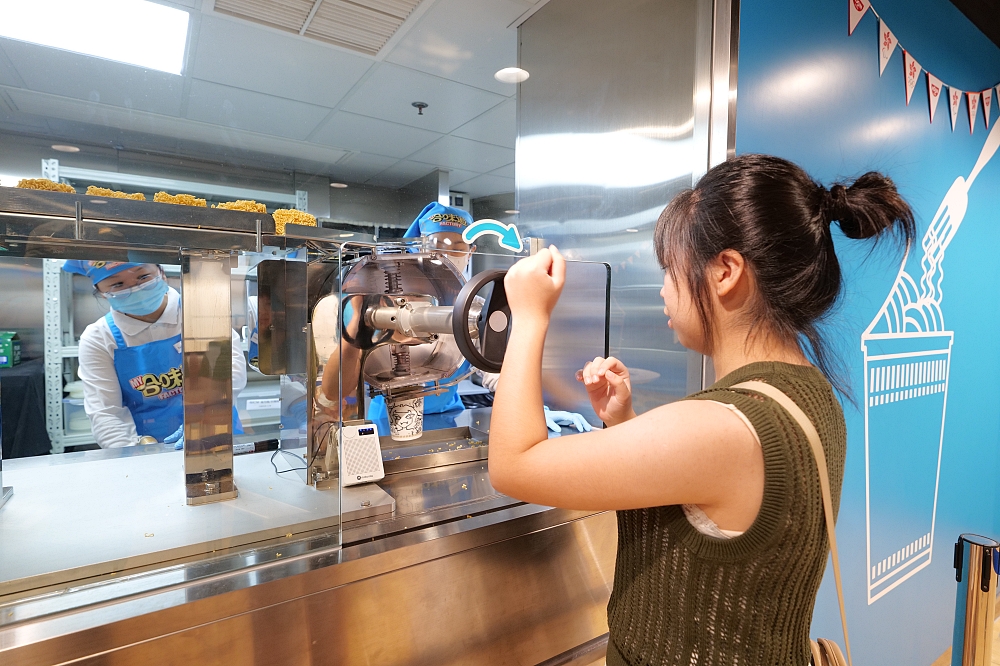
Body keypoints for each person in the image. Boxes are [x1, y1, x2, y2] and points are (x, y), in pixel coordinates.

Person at [489, 154, 915, 665]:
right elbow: (718, 519)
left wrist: (528, 315)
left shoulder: (726, 427)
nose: (664, 289)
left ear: (726, 272)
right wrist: (621, 424)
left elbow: (514, 463)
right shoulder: (810, 393)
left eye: (672, 269)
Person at [65, 261, 247, 449]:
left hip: (217, 432)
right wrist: (131, 457)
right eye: (117, 284)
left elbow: (229, 372)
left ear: (162, 273)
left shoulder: (201, 312)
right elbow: (107, 413)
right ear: (101, 293)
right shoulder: (99, 338)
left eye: (143, 277)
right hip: (145, 445)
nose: (135, 289)